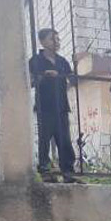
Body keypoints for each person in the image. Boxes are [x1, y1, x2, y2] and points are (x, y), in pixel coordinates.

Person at [28, 28, 81, 183]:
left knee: (64, 139)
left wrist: (71, 74)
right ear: (43, 41)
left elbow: (73, 82)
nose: (56, 42)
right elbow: (29, 82)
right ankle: (45, 171)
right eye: (53, 39)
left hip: (62, 106)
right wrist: (44, 76)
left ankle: (68, 172)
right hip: (44, 106)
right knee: (44, 139)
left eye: (57, 39)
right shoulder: (36, 61)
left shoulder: (62, 61)